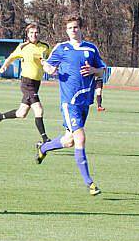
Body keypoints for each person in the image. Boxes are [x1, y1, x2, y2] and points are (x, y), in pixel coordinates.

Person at [37, 14, 106, 196]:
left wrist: (93, 70)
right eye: (69, 28)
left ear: (81, 28)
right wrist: (49, 69)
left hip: (85, 102)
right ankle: (90, 183)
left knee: (69, 141)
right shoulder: (62, 48)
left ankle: (43, 148)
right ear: (66, 30)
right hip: (69, 102)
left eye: (75, 27)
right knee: (80, 138)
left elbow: (102, 70)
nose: (73, 31)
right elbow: (49, 66)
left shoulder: (91, 49)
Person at [0, 23, 51, 143]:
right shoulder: (23, 47)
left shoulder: (45, 47)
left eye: (36, 32)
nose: (34, 34)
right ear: (27, 34)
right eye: (31, 33)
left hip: (37, 83)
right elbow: (11, 57)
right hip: (27, 82)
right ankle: (45, 139)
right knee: (38, 109)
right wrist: (4, 66)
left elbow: (52, 59)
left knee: (21, 113)